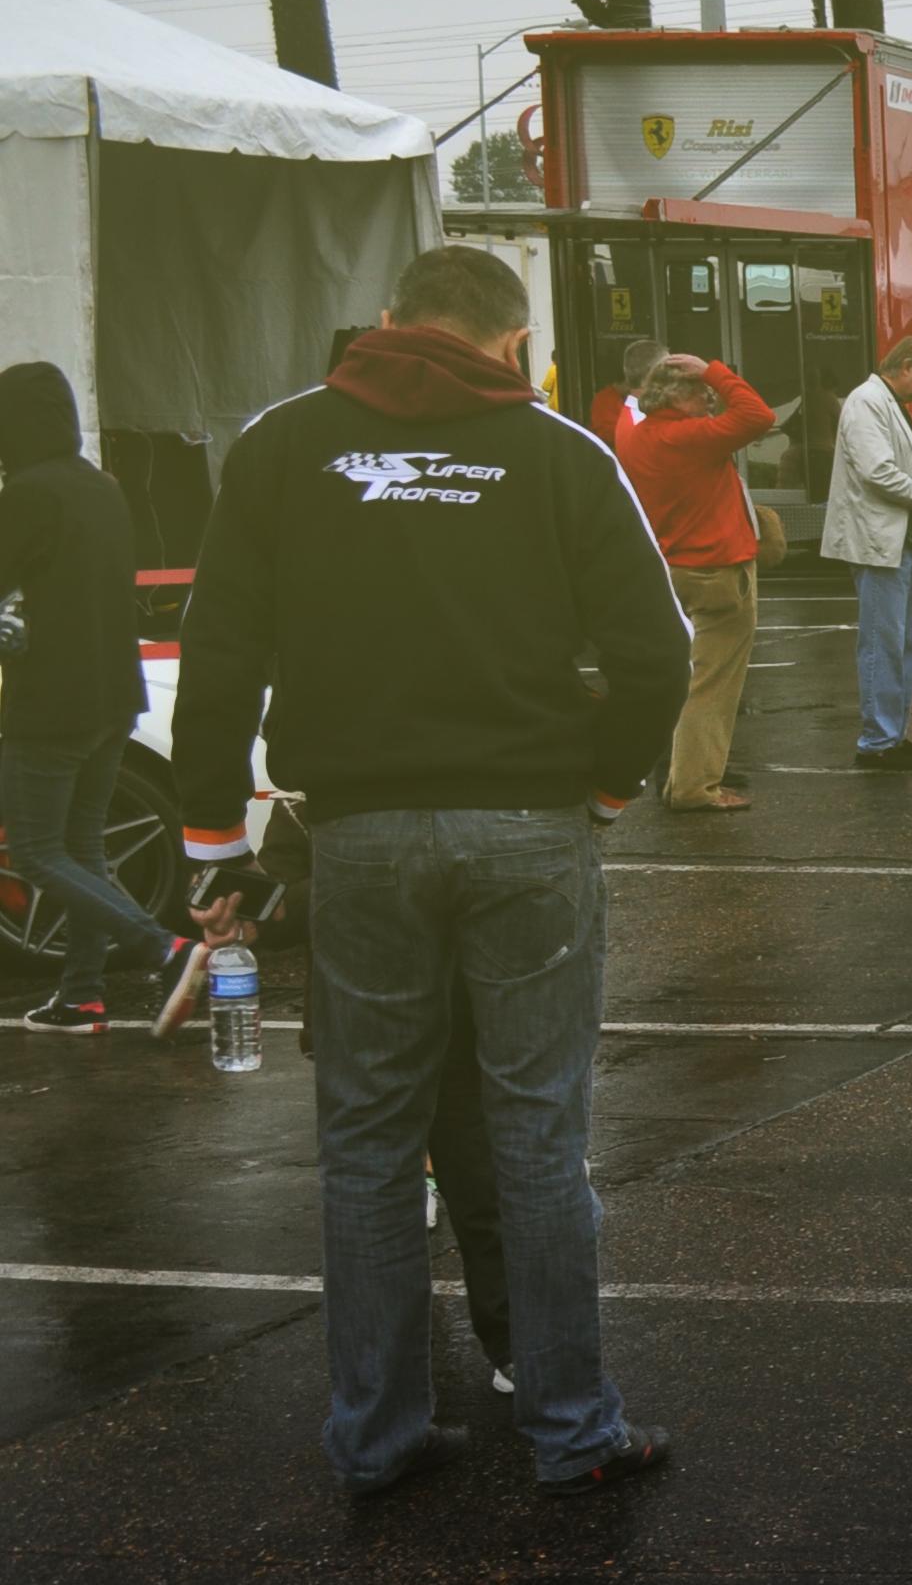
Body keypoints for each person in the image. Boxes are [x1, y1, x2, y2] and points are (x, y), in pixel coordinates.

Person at [172, 241, 687, 1497]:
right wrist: (607, 788)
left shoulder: (284, 445)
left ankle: (378, 1435)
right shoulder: (566, 453)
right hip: (527, 829)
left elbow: (218, 652)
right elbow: (658, 650)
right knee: (537, 1136)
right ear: (513, 343)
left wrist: (215, 844)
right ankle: (571, 1427)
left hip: (358, 834)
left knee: (365, 1140)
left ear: (388, 321)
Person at [1, 360, 191, 1031]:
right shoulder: (100, 487)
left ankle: (162, 948)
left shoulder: (26, 493)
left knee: (34, 851)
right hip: (117, 695)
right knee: (82, 847)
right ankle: (82, 995)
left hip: (52, 703)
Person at [612, 351, 780, 811]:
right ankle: (694, 785)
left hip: (673, 568)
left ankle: (677, 774)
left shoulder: (637, 435)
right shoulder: (691, 438)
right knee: (713, 684)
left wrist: (703, 378)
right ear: (677, 396)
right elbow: (758, 416)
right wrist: (716, 371)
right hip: (719, 572)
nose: (710, 401)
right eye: (701, 394)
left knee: (687, 678)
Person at [825, 335, 912, 767]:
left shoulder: (886, 403)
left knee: (904, 641)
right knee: (883, 641)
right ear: (907, 365)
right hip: (880, 543)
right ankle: (878, 740)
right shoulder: (866, 402)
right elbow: (878, 472)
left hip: (900, 541)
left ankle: (893, 733)